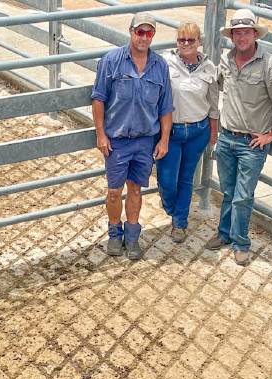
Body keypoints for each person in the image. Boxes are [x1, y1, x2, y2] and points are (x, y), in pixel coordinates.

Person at [209, 8, 272, 266]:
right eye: (237, 32)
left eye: (246, 32)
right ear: (232, 35)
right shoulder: (226, 59)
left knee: (243, 195)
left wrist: (271, 134)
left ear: (255, 34)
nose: (241, 37)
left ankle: (241, 242)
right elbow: (219, 85)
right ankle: (224, 233)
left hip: (251, 143)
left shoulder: (270, 64)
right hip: (227, 136)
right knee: (227, 190)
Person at [91, 12, 173, 260]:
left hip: (145, 140)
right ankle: (115, 234)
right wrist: (101, 134)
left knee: (136, 189)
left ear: (153, 36)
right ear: (130, 31)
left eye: (149, 33)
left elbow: (166, 107)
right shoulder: (112, 60)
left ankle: (133, 236)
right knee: (114, 191)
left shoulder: (160, 66)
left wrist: (164, 139)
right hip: (117, 139)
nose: (143, 37)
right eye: (140, 31)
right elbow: (98, 98)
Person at [157, 22, 219, 245]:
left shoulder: (209, 68)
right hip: (171, 131)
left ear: (199, 42)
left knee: (186, 177)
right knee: (166, 180)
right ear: (176, 42)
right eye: (181, 39)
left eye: (190, 40)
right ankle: (172, 207)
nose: (185, 44)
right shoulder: (165, 63)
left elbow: (213, 103)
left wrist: (213, 132)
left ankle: (179, 222)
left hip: (197, 130)